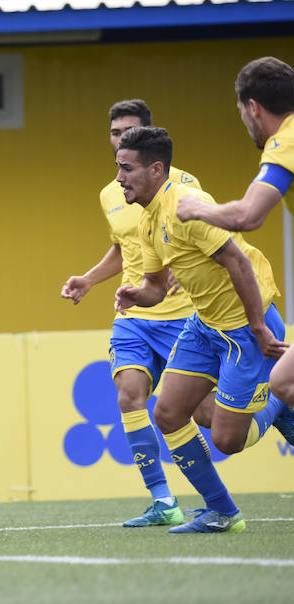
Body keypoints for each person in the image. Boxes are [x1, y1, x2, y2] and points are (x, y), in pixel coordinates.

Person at [114, 126, 289, 533]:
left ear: (156, 169)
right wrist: (135, 295)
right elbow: (156, 288)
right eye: (118, 168)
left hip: (246, 327)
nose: (119, 178)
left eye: (127, 169)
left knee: (227, 439)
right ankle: (223, 512)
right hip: (205, 326)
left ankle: (280, 401)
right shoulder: (146, 221)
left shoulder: (188, 206)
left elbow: (239, 264)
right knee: (169, 412)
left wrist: (259, 327)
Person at [62, 100, 203, 528]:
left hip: (181, 315)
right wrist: (89, 279)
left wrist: (182, 269)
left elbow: (203, 233)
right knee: (128, 395)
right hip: (133, 312)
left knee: (212, 418)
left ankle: (276, 409)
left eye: (129, 130)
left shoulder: (184, 184)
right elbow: (124, 247)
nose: (120, 138)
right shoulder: (111, 192)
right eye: (114, 132)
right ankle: (163, 499)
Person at [174, 57, 294, 434]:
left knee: (283, 383)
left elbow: (247, 217)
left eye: (241, 112)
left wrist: (197, 209)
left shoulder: (284, 142)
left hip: (242, 325)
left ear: (253, 107)